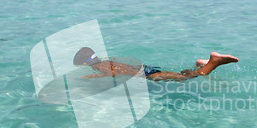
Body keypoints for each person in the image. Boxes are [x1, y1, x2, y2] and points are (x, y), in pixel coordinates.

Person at [73, 47, 239, 81]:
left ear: (84, 63)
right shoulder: (106, 61)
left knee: (184, 79)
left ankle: (214, 62)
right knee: (180, 73)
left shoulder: (98, 67)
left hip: (146, 75)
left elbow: (111, 74)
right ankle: (201, 63)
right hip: (145, 69)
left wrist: (92, 76)